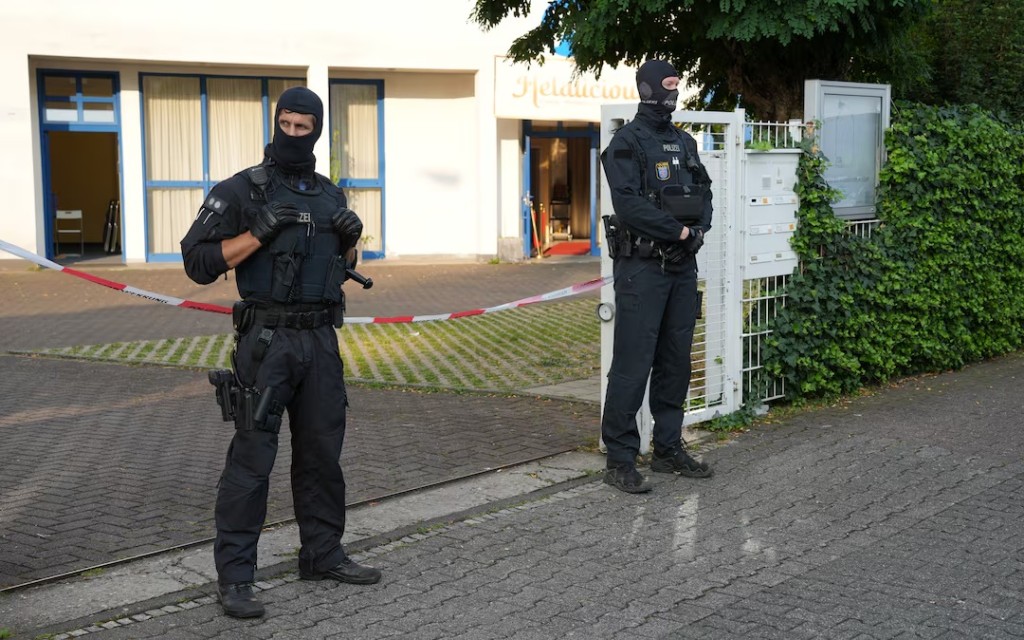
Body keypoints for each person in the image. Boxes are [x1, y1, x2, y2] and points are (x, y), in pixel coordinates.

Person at [181, 86, 379, 619]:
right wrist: (256, 233)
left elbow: (341, 265)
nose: (293, 135)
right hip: (266, 344)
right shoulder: (240, 191)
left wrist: (350, 241)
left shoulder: (331, 196)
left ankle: (322, 554)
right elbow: (196, 262)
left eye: (303, 127)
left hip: (321, 341)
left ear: (317, 130)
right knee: (252, 462)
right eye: (286, 124)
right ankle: (235, 578)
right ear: (275, 123)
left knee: (322, 456)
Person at [599, 59, 715, 493]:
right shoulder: (625, 143)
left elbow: (705, 193)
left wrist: (698, 230)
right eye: (668, 84)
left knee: (675, 362)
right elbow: (628, 205)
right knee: (632, 365)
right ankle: (620, 460)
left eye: (677, 85)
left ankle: (667, 449)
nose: (674, 92)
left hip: (682, 267)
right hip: (642, 270)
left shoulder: (685, 142)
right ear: (647, 89)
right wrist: (680, 232)